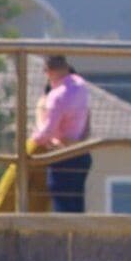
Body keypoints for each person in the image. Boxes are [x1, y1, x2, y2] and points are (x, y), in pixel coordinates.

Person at [30, 54, 94, 213]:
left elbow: (46, 133)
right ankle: (78, 236)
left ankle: (65, 237)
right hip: (81, 153)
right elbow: (87, 115)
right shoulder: (81, 85)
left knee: (62, 205)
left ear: (47, 71)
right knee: (77, 205)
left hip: (61, 155)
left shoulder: (56, 96)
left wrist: (39, 115)